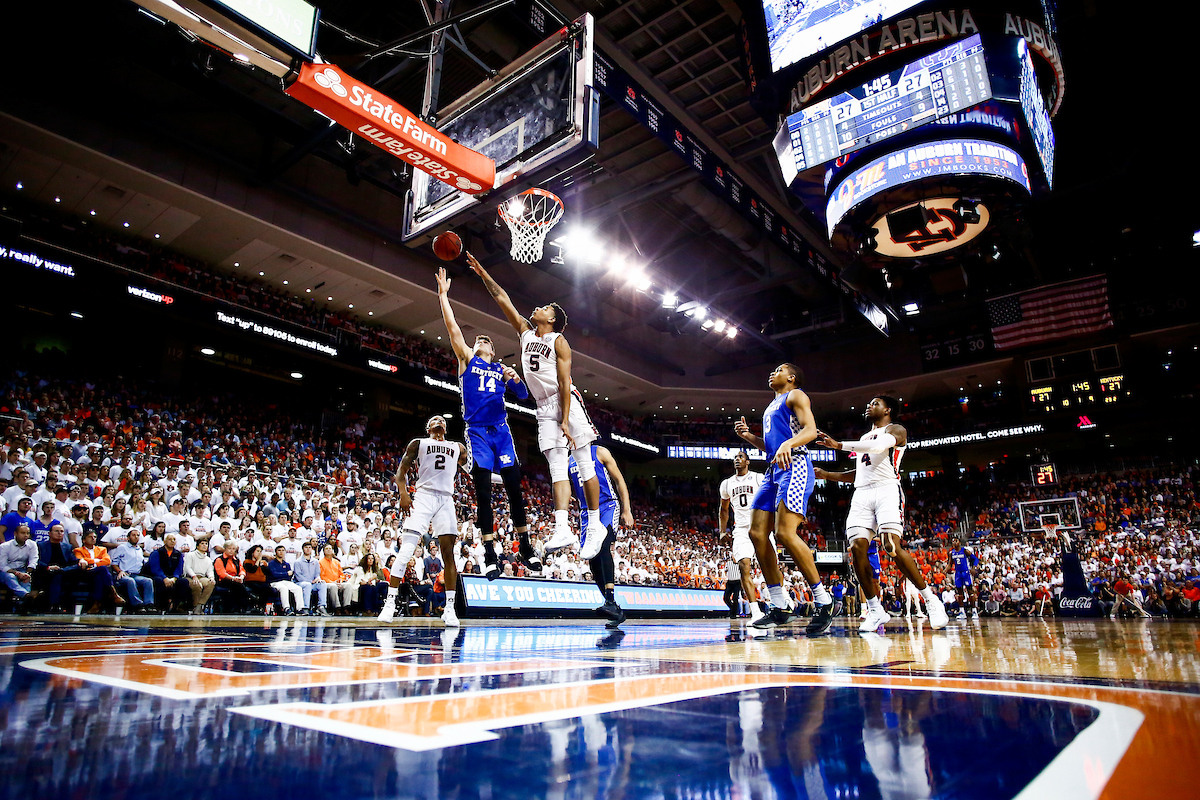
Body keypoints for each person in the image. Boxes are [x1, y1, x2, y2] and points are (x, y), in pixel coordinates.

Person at [468, 252, 607, 561]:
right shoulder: (526, 333)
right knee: (556, 465)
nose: (537, 308)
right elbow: (501, 297)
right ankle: (562, 528)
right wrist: (482, 273)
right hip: (542, 406)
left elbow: (563, 381)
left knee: (584, 464)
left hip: (565, 400)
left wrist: (566, 420)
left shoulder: (559, 340)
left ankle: (595, 525)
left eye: (544, 308)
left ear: (553, 318)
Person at [435, 266, 541, 578]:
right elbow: (453, 327)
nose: (482, 339)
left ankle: (524, 546)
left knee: (514, 488)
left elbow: (523, 395)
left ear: (493, 352)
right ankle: (491, 552)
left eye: (488, 341)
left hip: (503, 432)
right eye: (479, 339)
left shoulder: (500, 370)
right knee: (483, 491)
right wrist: (443, 295)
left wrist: (516, 378)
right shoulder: (466, 359)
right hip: (478, 432)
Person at [814, 395, 949, 632]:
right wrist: (827, 475)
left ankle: (931, 600)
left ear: (887, 410)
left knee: (890, 545)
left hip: (887, 489)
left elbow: (878, 447)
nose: (869, 405)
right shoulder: (863, 438)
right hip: (862, 494)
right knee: (856, 549)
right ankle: (876, 610)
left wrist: (838, 445)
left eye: (875, 403)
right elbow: (858, 474)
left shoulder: (896, 429)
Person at [732, 363, 834, 633]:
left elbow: (810, 431)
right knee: (756, 533)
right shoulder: (771, 406)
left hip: (795, 465)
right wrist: (749, 437)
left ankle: (824, 600)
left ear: (791, 377)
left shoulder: (796, 395)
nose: (771, 372)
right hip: (772, 470)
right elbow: (772, 447)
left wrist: (789, 444)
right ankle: (780, 605)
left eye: (778, 370)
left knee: (785, 534)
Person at [378, 415, 469, 626]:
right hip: (423, 495)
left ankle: (449, 608)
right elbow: (401, 471)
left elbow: (470, 469)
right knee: (407, 550)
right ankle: (389, 603)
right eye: (434, 419)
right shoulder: (419, 443)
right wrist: (403, 494)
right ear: (428, 427)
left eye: (442, 419)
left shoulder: (457, 447)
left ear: (446, 427)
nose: (439, 420)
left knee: (449, 555)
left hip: (446, 498)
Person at [567, 444, 634, 628]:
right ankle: (613, 608)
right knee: (592, 558)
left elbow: (620, 480)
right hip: (586, 511)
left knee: (603, 545)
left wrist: (626, 509)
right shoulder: (569, 459)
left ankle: (610, 601)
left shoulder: (600, 451)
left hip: (607, 505)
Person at [718, 451, 766, 625]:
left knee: (770, 566)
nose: (737, 459)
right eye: (735, 458)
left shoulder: (758, 478)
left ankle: (781, 600)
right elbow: (723, 509)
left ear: (748, 461)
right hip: (740, 529)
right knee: (744, 566)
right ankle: (755, 611)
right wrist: (723, 531)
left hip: (760, 526)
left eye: (740, 457)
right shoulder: (727, 483)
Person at [73, 530, 125, 614]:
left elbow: (107, 561)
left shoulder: (102, 549)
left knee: (100, 576)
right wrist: (97, 561)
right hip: (85, 573)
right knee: (103, 569)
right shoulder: (78, 550)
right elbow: (80, 560)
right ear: (83, 540)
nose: (93, 538)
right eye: (90, 537)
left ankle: (96, 604)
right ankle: (113, 593)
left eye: (94, 537)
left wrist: (93, 563)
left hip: (98, 573)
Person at [111, 530, 155, 613]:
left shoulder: (139, 549)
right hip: (123, 574)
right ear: (128, 537)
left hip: (136, 574)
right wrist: (119, 571)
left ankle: (149, 604)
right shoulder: (122, 547)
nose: (136, 537)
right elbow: (114, 563)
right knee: (130, 581)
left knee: (148, 581)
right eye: (133, 535)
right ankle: (138, 604)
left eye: (138, 535)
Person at [147, 533, 190, 612]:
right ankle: (159, 606)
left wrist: (174, 578)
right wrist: (165, 578)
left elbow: (179, 568)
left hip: (172, 577)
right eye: (170, 539)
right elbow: (155, 569)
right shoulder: (156, 553)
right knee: (158, 581)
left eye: (174, 539)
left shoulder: (178, 554)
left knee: (184, 582)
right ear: (164, 541)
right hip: (160, 577)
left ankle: (178, 606)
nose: (172, 541)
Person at [0, 524, 38, 611]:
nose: (26, 535)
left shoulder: (32, 545)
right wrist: (17, 573)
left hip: (23, 570)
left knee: (26, 580)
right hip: (7, 571)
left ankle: (23, 605)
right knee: (10, 577)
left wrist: (27, 573)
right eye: (23, 533)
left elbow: (33, 560)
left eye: (27, 533)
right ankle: (26, 596)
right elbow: (2, 565)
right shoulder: (5, 546)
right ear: (15, 533)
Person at [265, 544, 304, 615]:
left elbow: (289, 576)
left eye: (283, 550)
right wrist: (285, 574)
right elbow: (274, 575)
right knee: (283, 588)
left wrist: (283, 575)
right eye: (279, 550)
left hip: (285, 581)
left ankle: (300, 608)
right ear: (276, 552)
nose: (281, 552)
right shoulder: (271, 564)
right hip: (274, 582)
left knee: (298, 588)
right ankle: (286, 608)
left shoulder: (286, 564)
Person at [293, 541, 327, 616]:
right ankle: (305, 608)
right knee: (307, 585)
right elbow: (298, 576)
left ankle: (321, 606)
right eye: (306, 547)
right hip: (300, 583)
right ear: (303, 549)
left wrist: (318, 579)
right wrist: (311, 581)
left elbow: (317, 573)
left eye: (309, 548)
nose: (308, 549)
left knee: (322, 584)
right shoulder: (297, 562)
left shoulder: (315, 561)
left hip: (312, 583)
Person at [948, 538, 979, 619]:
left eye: (956, 541)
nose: (954, 542)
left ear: (959, 542)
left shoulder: (964, 550)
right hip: (958, 574)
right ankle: (962, 612)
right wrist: (946, 570)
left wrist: (974, 567)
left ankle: (974, 611)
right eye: (953, 541)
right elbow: (950, 564)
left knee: (970, 592)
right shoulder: (951, 553)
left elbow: (975, 558)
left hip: (965, 573)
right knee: (960, 593)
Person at [319, 544, 355, 614]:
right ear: (324, 551)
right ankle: (337, 607)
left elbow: (341, 574)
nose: (329, 550)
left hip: (338, 582)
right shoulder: (320, 562)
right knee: (333, 586)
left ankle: (346, 606)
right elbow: (322, 576)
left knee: (348, 585)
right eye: (327, 549)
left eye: (330, 548)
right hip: (327, 583)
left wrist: (340, 580)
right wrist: (332, 582)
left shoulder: (336, 562)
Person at [184, 537, 216, 614]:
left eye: (206, 544)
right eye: (202, 543)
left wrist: (211, 578)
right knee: (196, 585)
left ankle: (199, 605)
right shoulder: (190, 555)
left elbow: (210, 570)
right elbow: (188, 568)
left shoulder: (208, 559)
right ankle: (195, 606)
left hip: (202, 577)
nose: (204, 545)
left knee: (210, 583)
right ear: (197, 546)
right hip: (190, 577)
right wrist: (194, 576)